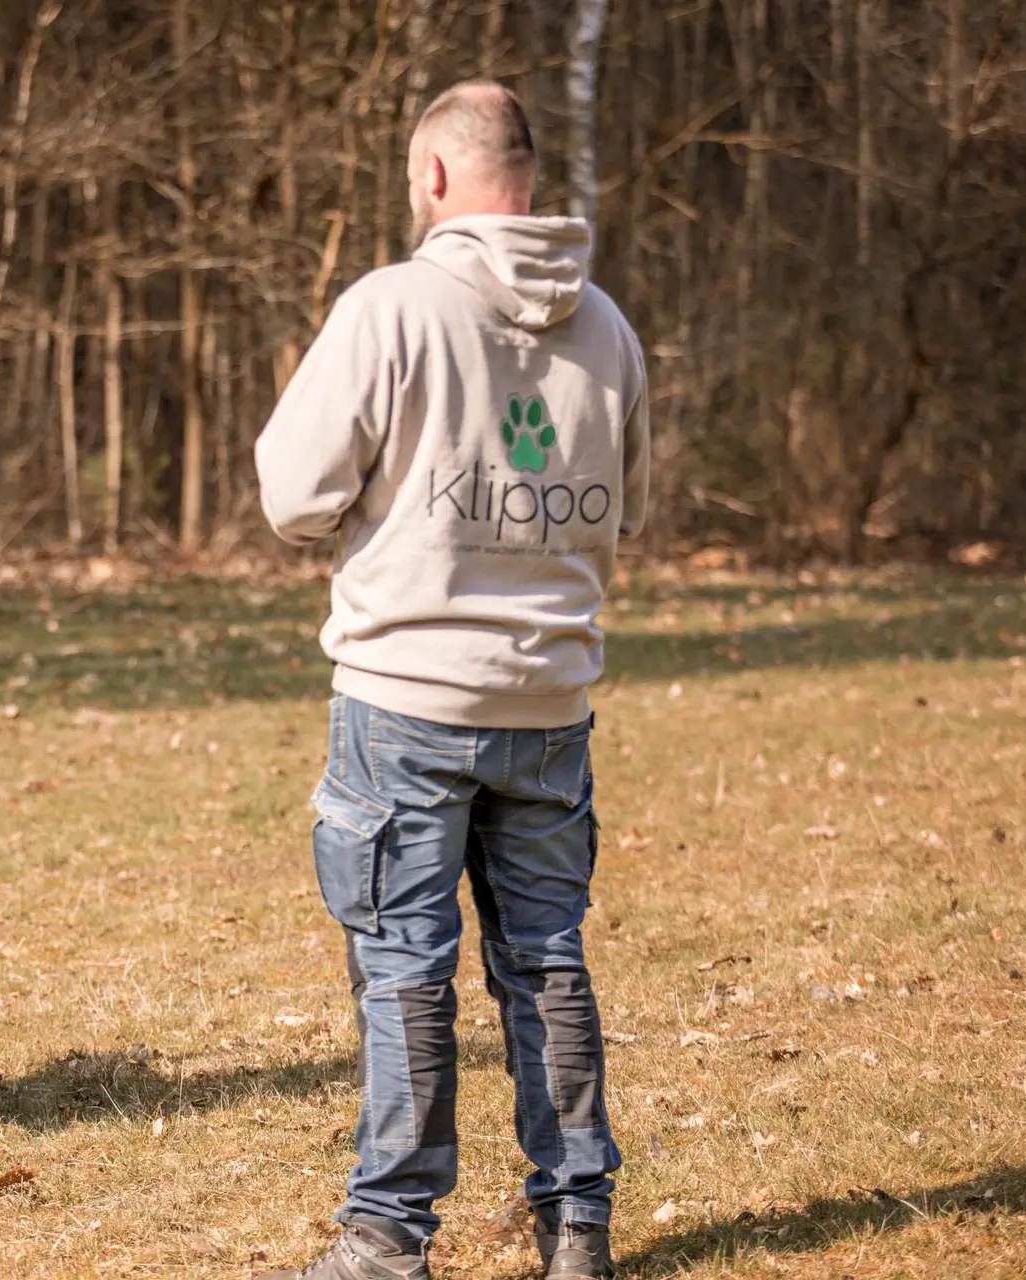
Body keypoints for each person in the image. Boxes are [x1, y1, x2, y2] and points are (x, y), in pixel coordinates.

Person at [253, 82, 648, 1279]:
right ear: (524, 180)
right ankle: (577, 1223)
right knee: (548, 959)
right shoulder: (611, 330)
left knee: (404, 968)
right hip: (549, 701)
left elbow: (293, 495)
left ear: (433, 177)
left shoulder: (391, 308)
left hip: (406, 699)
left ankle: (385, 1238)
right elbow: (621, 508)